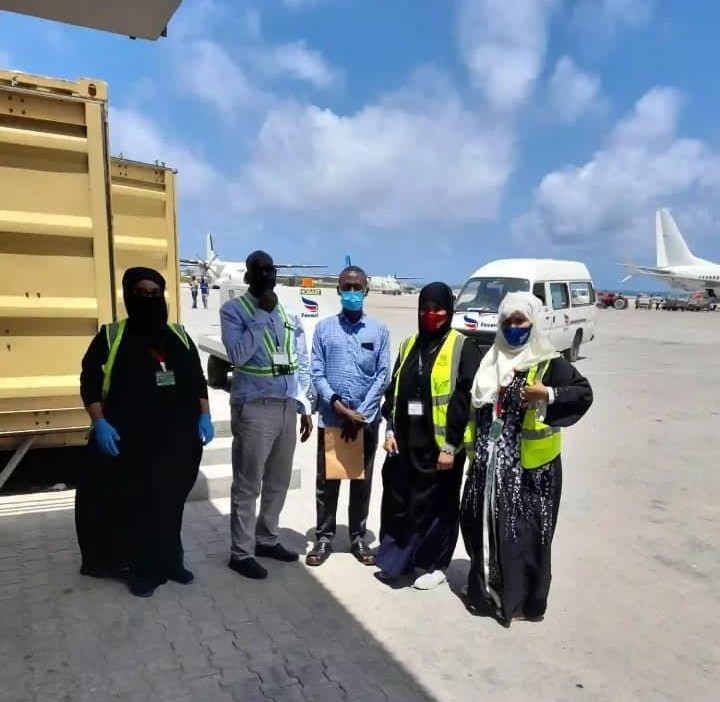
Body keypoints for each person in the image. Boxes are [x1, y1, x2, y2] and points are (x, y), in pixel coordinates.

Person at [78, 267, 215, 598]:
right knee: (135, 506)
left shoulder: (179, 335)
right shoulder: (112, 336)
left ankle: (171, 561)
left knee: (170, 503)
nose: (148, 299)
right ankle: (140, 569)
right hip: (131, 443)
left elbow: (197, 378)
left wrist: (205, 416)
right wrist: (99, 422)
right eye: (140, 293)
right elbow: (89, 381)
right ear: (128, 296)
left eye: (155, 293)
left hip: (177, 441)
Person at [460, 291, 593, 626]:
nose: (513, 327)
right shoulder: (490, 360)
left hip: (529, 472)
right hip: (488, 466)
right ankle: (485, 590)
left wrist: (548, 393)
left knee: (523, 536)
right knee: (483, 527)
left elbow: (583, 393)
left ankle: (521, 601)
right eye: (507, 321)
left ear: (534, 323)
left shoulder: (548, 362)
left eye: (521, 321)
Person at [376, 282, 481, 589]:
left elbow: (465, 400)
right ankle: (399, 562)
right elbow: (394, 392)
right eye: (425, 309)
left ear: (450, 310)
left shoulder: (463, 347)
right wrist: (390, 429)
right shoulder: (409, 344)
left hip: (441, 449)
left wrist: (450, 446)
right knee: (400, 502)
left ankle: (435, 565)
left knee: (437, 506)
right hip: (405, 444)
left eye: (438, 309)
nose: (431, 315)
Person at [220, 251, 313, 580]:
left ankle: (267, 538)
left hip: (287, 406)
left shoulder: (287, 312)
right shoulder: (234, 310)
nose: (266, 275)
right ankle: (241, 552)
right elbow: (238, 355)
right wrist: (261, 314)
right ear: (248, 276)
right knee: (248, 485)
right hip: (254, 407)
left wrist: (304, 404)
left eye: (270, 269)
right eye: (259, 271)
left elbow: (299, 359)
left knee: (278, 481)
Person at [307, 265, 390, 567]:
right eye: (347, 287)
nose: (352, 292)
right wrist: (340, 408)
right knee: (328, 482)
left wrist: (360, 415)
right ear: (338, 290)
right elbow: (317, 372)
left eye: (357, 287)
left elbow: (383, 374)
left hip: (364, 422)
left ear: (366, 290)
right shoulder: (324, 329)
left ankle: (357, 538)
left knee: (361, 482)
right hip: (333, 419)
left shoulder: (379, 330)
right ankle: (324, 538)